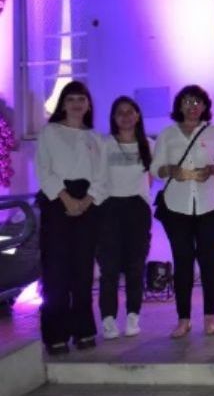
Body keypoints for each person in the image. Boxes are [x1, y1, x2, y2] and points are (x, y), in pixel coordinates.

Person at [35, 81, 106, 355]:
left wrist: (86, 201)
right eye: (71, 99)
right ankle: (56, 334)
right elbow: (44, 170)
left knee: (83, 272)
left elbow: (102, 177)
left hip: (87, 204)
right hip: (57, 203)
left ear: (88, 104)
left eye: (82, 99)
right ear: (63, 104)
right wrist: (66, 198)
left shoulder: (95, 138)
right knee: (56, 272)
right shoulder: (49, 132)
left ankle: (84, 330)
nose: (77, 104)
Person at [151, 85, 214, 338]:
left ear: (205, 106)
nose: (193, 106)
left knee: (209, 262)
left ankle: (210, 317)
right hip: (176, 206)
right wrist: (171, 170)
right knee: (182, 262)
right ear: (179, 105)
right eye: (187, 101)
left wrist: (211, 171)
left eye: (198, 102)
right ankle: (183, 319)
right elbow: (154, 169)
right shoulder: (167, 134)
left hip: (209, 204)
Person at [98, 96, 153, 340]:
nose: (126, 116)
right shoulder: (104, 144)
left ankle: (133, 317)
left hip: (137, 210)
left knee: (135, 268)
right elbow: (98, 178)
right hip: (109, 210)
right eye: (120, 112)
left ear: (138, 115)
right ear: (113, 118)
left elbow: (152, 176)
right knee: (109, 269)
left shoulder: (149, 145)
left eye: (130, 111)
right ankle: (108, 320)